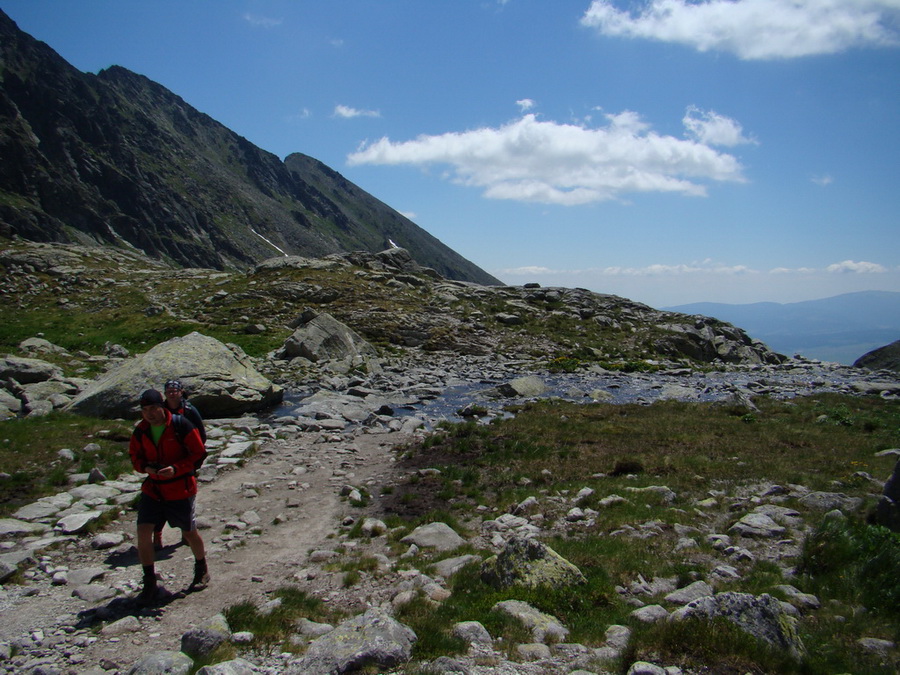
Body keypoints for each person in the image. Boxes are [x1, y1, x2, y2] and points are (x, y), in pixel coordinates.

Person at [129, 389, 210, 605]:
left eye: (153, 409)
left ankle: (201, 567)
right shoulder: (141, 430)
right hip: (153, 489)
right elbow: (134, 457)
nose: (149, 414)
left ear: (162, 406)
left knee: (189, 532)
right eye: (145, 410)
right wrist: (145, 467)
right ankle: (149, 583)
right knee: (143, 531)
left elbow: (198, 453)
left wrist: (177, 468)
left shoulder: (181, 425)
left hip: (180, 488)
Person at [153, 379, 207, 550]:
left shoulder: (190, 410)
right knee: (158, 497)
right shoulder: (160, 410)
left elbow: (201, 433)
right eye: (169, 390)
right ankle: (157, 535)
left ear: (181, 392)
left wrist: (195, 457)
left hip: (185, 459)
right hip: (163, 458)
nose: (172, 393)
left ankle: (186, 532)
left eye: (175, 390)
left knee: (185, 495)